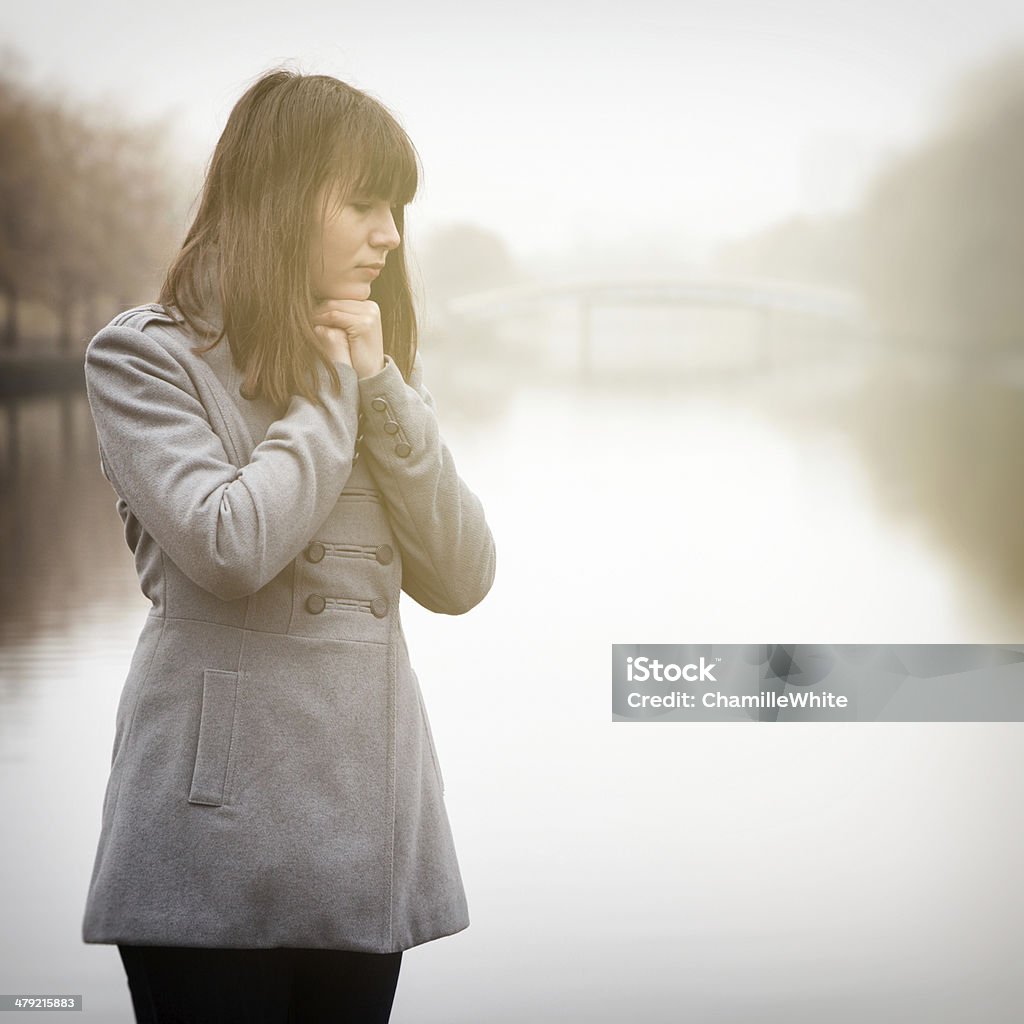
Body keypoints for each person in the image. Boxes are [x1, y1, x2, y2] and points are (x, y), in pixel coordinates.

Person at [80, 68, 497, 1023]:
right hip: (211, 844)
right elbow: (230, 544)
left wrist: (384, 385)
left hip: (364, 836)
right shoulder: (147, 357)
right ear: (280, 197)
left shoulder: (374, 365)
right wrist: (330, 393)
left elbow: (465, 575)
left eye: (395, 209)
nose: (390, 234)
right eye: (364, 203)